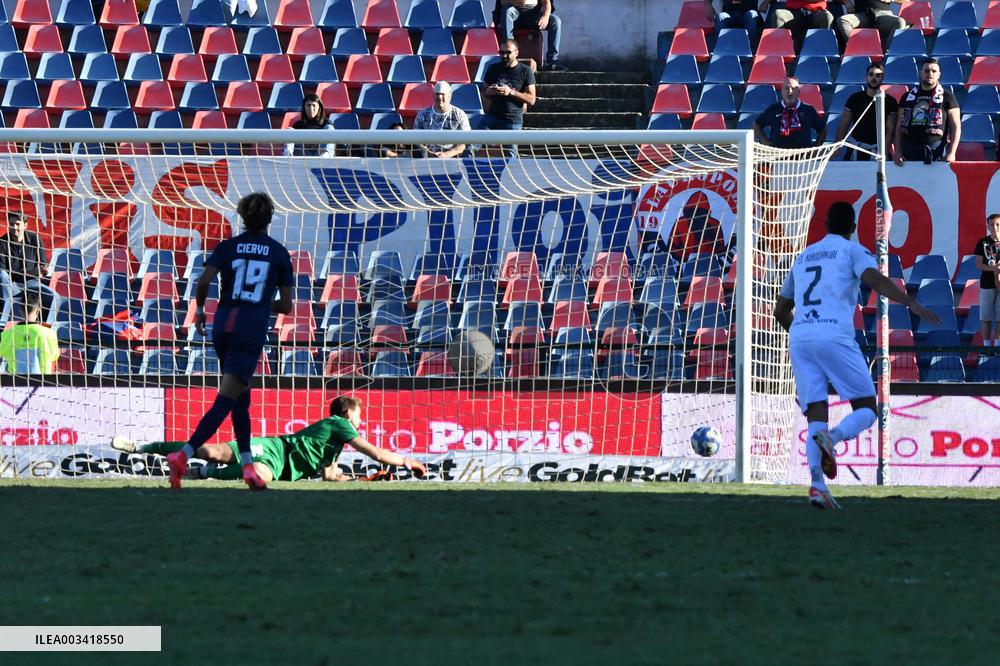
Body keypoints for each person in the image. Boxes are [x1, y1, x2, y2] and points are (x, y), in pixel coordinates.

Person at [772, 201, 940, 509]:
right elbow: (874, 279)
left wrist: (803, 332)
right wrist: (910, 302)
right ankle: (833, 439)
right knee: (867, 407)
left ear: (825, 224)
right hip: (833, 334)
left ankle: (817, 485)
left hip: (800, 336)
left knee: (816, 412)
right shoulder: (853, 251)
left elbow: (780, 310)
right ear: (852, 227)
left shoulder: (804, 255)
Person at [166, 193, 293, 492]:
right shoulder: (278, 253)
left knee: (240, 400)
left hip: (222, 326)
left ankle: (248, 467)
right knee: (226, 399)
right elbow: (286, 306)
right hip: (249, 329)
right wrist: (262, 303)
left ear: (242, 216)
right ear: (270, 217)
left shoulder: (227, 247)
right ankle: (182, 456)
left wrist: (199, 312)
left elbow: (202, 281)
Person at [114, 395, 428, 483]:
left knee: (259, 476)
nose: (362, 420)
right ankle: (141, 447)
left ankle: (201, 473)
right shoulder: (340, 424)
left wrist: (363, 480)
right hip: (277, 447)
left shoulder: (335, 445)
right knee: (212, 450)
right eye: (359, 414)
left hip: (279, 467)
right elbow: (374, 452)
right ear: (348, 413)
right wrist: (406, 460)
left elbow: (330, 475)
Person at [893, 58, 961, 165]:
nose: (930, 74)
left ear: (939, 74)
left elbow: (956, 126)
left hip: (935, 152)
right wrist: (897, 152)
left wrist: (952, 152)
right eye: (927, 71)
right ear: (921, 73)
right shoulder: (907, 96)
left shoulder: (948, 97)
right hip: (909, 152)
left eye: (934, 71)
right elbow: (899, 126)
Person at [0, 211, 57, 321]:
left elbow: (43, 266)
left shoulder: (35, 239)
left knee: (54, 296)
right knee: (2, 275)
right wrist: (32, 271)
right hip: (11, 284)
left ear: (25, 225)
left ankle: (51, 325)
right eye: (11, 224)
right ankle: (8, 318)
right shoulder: (2, 243)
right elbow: (3, 272)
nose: (14, 227)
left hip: (32, 283)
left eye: (17, 224)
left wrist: (40, 270)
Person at [836, 62, 899, 160]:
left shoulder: (890, 102)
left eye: (878, 75)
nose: (874, 78)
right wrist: (836, 147)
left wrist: (884, 153)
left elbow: (890, 129)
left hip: (878, 151)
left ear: (882, 78)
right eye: (871, 74)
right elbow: (844, 123)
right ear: (866, 77)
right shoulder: (855, 98)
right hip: (856, 149)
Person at [753, 76, 826, 148]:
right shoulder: (773, 109)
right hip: (778, 154)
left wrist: (816, 148)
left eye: (793, 89)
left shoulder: (808, 110)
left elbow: (823, 129)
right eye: (787, 88)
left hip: (803, 155)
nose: (790, 92)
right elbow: (756, 124)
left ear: (798, 92)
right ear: (782, 92)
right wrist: (763, 140)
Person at [493, 0, 565, 71]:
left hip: (533, 16)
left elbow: (546, 2)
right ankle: (509, 56)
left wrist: (545, 16)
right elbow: (502, 2)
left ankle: (552, 61)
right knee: (508, 11)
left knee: (555, 21)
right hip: (515, 15)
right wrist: (515, 2)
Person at [483, 39, 537, 133]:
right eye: (501, 52)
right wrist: (488, 91)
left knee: (511, 144)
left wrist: (510, 92)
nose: (504, 56)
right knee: (474, 139)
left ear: (516, 53)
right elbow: (483, 93)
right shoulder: (493, 68)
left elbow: (532, 99)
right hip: (492, 117)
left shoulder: (525, 71)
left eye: (508, 52)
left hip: (512, 120)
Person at [0, 291, 60, 374]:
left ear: (20, 310)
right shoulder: (50, 334)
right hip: (43, 381)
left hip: (16, 381)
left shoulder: (6, 335)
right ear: (38, 311)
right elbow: (54, 356)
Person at [413, 82, 471, 158]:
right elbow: (417, 140)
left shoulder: (459, 115)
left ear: (450, 95)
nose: (440, 97)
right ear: (433, 95)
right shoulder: (423, 115)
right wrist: (429, 153)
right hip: (427, 158)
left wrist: (447, 154)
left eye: (443, 94)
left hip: (453, 158)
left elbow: (463, 143)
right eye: (437, 94)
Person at [761, 0, 835, 53]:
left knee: (828, 16)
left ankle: (822, 51)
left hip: (817, 12)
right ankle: (783, 51)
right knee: (778, 14)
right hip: (794, 12)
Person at [834, 0, 907, 53]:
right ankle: (860, 49)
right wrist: (846, 2)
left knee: (900, 22)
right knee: (843, 20)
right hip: (862, 15)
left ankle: (887, 53)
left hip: (883, 14)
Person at [283, 93, 336, 158]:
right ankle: (287, 155)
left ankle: (325, 155)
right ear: (304, 107)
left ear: (319, 107)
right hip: (303, 155)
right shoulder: (298, 125)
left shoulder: (326, 123)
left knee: (329, 128)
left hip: (320, 155)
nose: (311, 108)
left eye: (314, 105)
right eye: (308, 105)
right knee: (290, 130)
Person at [975, 214, 1000, 348]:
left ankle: (997, 346)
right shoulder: (983, 242)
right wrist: (993, 269)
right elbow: (978, 264)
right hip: (987, 284)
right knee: (985, 318)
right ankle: (986, 348)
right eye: (992, 225)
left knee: (999, 319)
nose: (995, 227)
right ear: (988, 226)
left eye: (998, 224)